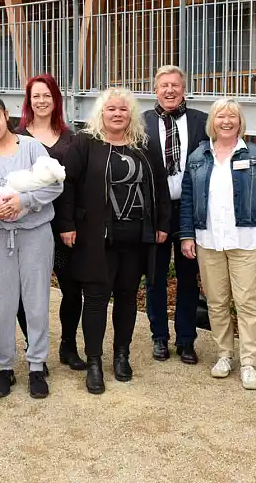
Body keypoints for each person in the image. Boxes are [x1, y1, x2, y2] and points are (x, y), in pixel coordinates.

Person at [64, 87, 170, 395]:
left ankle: (121, 355)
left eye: (123, 109)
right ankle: (94, 362)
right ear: (101, 112)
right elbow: (68, 185)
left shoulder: (143, 144)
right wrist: (67, 225)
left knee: (127, 298)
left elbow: (159, 186)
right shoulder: (85, 142)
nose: (117, 114)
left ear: (131, 113)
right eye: (111, 109)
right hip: (96, 237)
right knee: (96, 299)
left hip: (136, 237)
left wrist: (163, 223)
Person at [180, 98, 256, 390]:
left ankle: (249, 362)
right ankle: (224, 355)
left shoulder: (255, 154)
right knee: (217, 303)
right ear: (213, 121)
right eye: (221, 116)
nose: (226, 121)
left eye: (232, 116)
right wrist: (186, 235)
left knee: (247, 303)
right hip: (209, 240)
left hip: (245, 240)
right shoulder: (198, 156)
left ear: (240, 122)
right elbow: (187, 198)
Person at [0, 95, 62, 400]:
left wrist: (23, 201)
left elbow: (55, 184)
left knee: (36, 300)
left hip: (35, 233)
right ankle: (5, 367)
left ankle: (36, 365)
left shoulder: (32, 146)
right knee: (3, 302)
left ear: (6, 115)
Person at [15, 74, 84, 372]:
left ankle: (68, 344)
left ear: (56, 100)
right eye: (36, 96)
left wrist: (70, 223)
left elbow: (76, 185)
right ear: (29, 101)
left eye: (47, 95)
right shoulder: (15, 136)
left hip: (62, 227)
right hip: (26, 225)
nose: (41, 101)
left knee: (72, 287)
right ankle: (34, 348)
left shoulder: (71, 139)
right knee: (25, 291)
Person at [143, 65, 208, 364]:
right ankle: (159, 337)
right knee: (155, 277)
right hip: (155, 211)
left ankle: (186, 339)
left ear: (184, 88)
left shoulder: (201, 122)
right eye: (163, 85)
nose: (169, 90)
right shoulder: (140, 123)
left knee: (187, 277)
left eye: (175, 85)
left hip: (188, 209)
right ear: (155, 90)